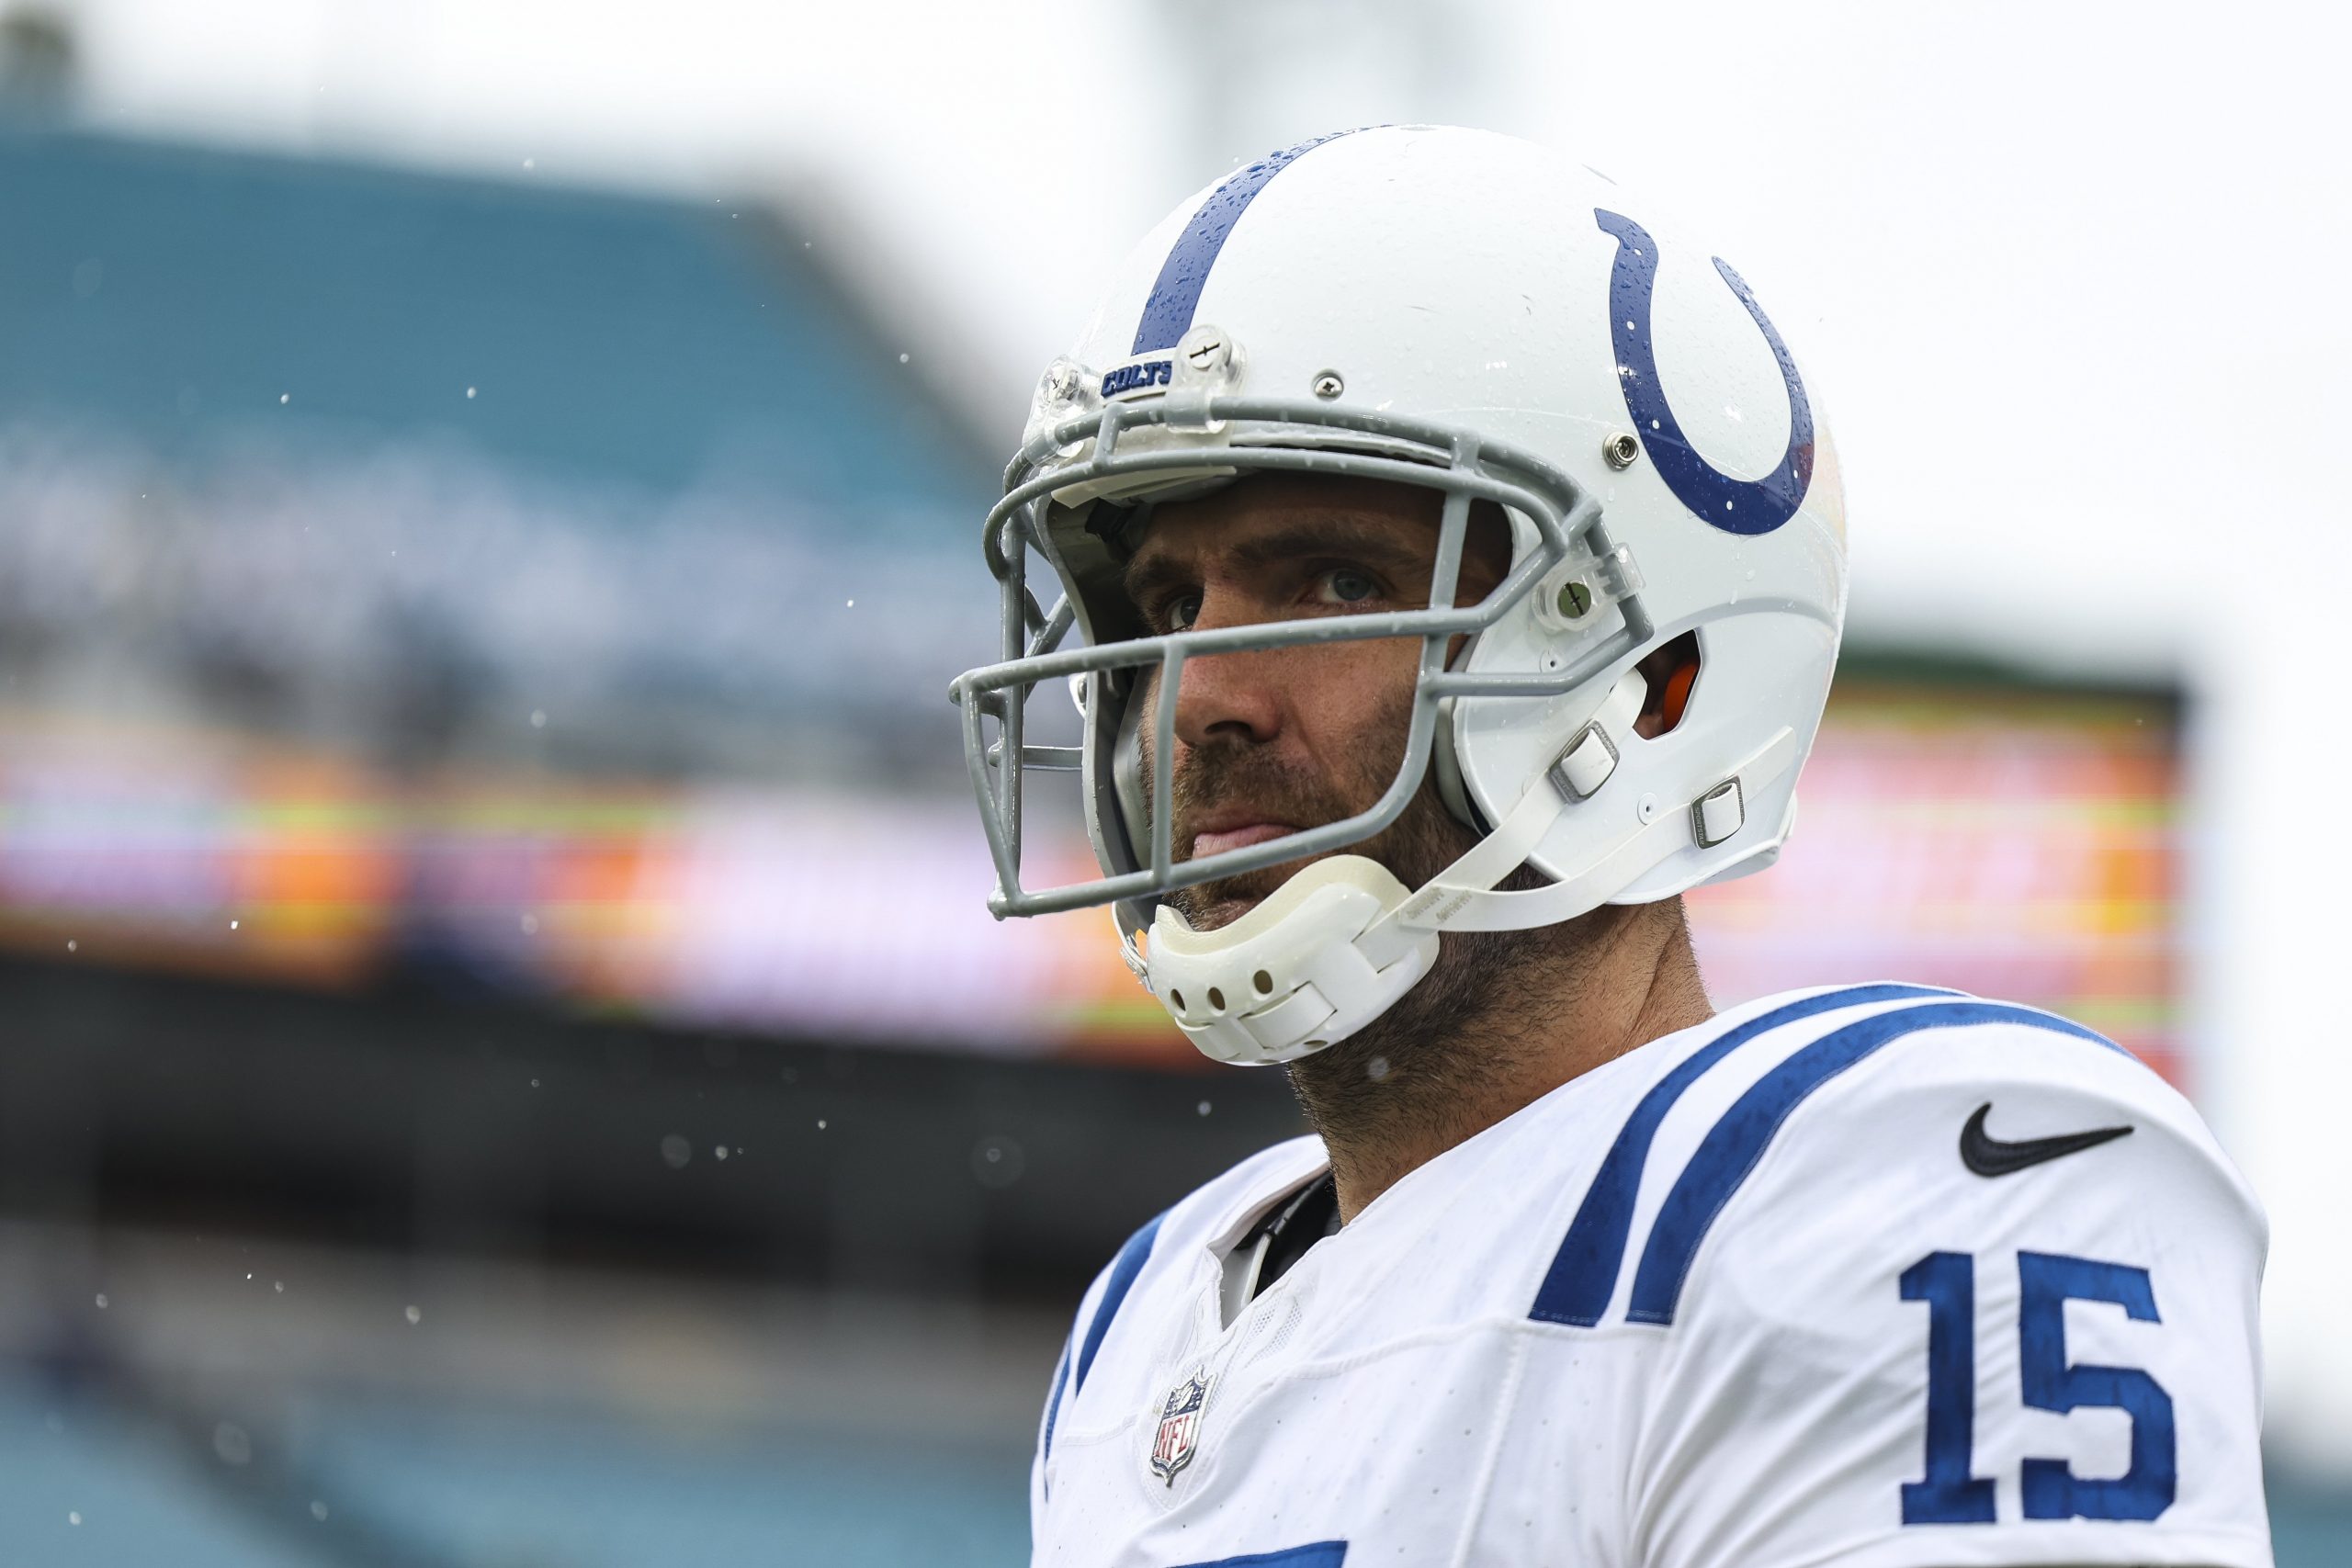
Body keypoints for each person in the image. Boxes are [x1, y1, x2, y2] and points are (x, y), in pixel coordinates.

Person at [952, 126, 2268, 1568]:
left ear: (1657, 679)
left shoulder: (1892, 1180)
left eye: (1335, 579)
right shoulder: (1147, 1322)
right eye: (1167, 600)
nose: (1200, 695)